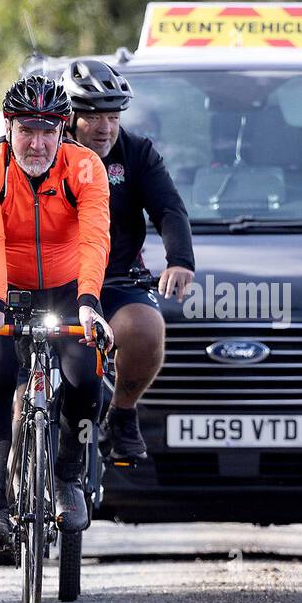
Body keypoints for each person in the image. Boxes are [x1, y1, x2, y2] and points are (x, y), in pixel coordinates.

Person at [0, 74, 113, 550]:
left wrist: (90, 305)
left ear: (63, 130)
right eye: (27, 129)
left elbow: (94, 238)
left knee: (86, 375)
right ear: (8, 128)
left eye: (49, 130)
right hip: (3, 290)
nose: (38, 142)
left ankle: (68, 478)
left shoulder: (85, 167)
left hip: (70, 290)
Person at [62, 58, 195, 460]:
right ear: (70, 117)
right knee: (25, 394)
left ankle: (121, 413)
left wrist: (179, 260)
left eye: (114, 117)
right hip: (54, 282)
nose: (105, 128)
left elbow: (169, 209)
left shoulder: (136, 153)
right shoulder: (48, 151)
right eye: (94, 117)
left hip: (115, 278)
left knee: (146, 329)